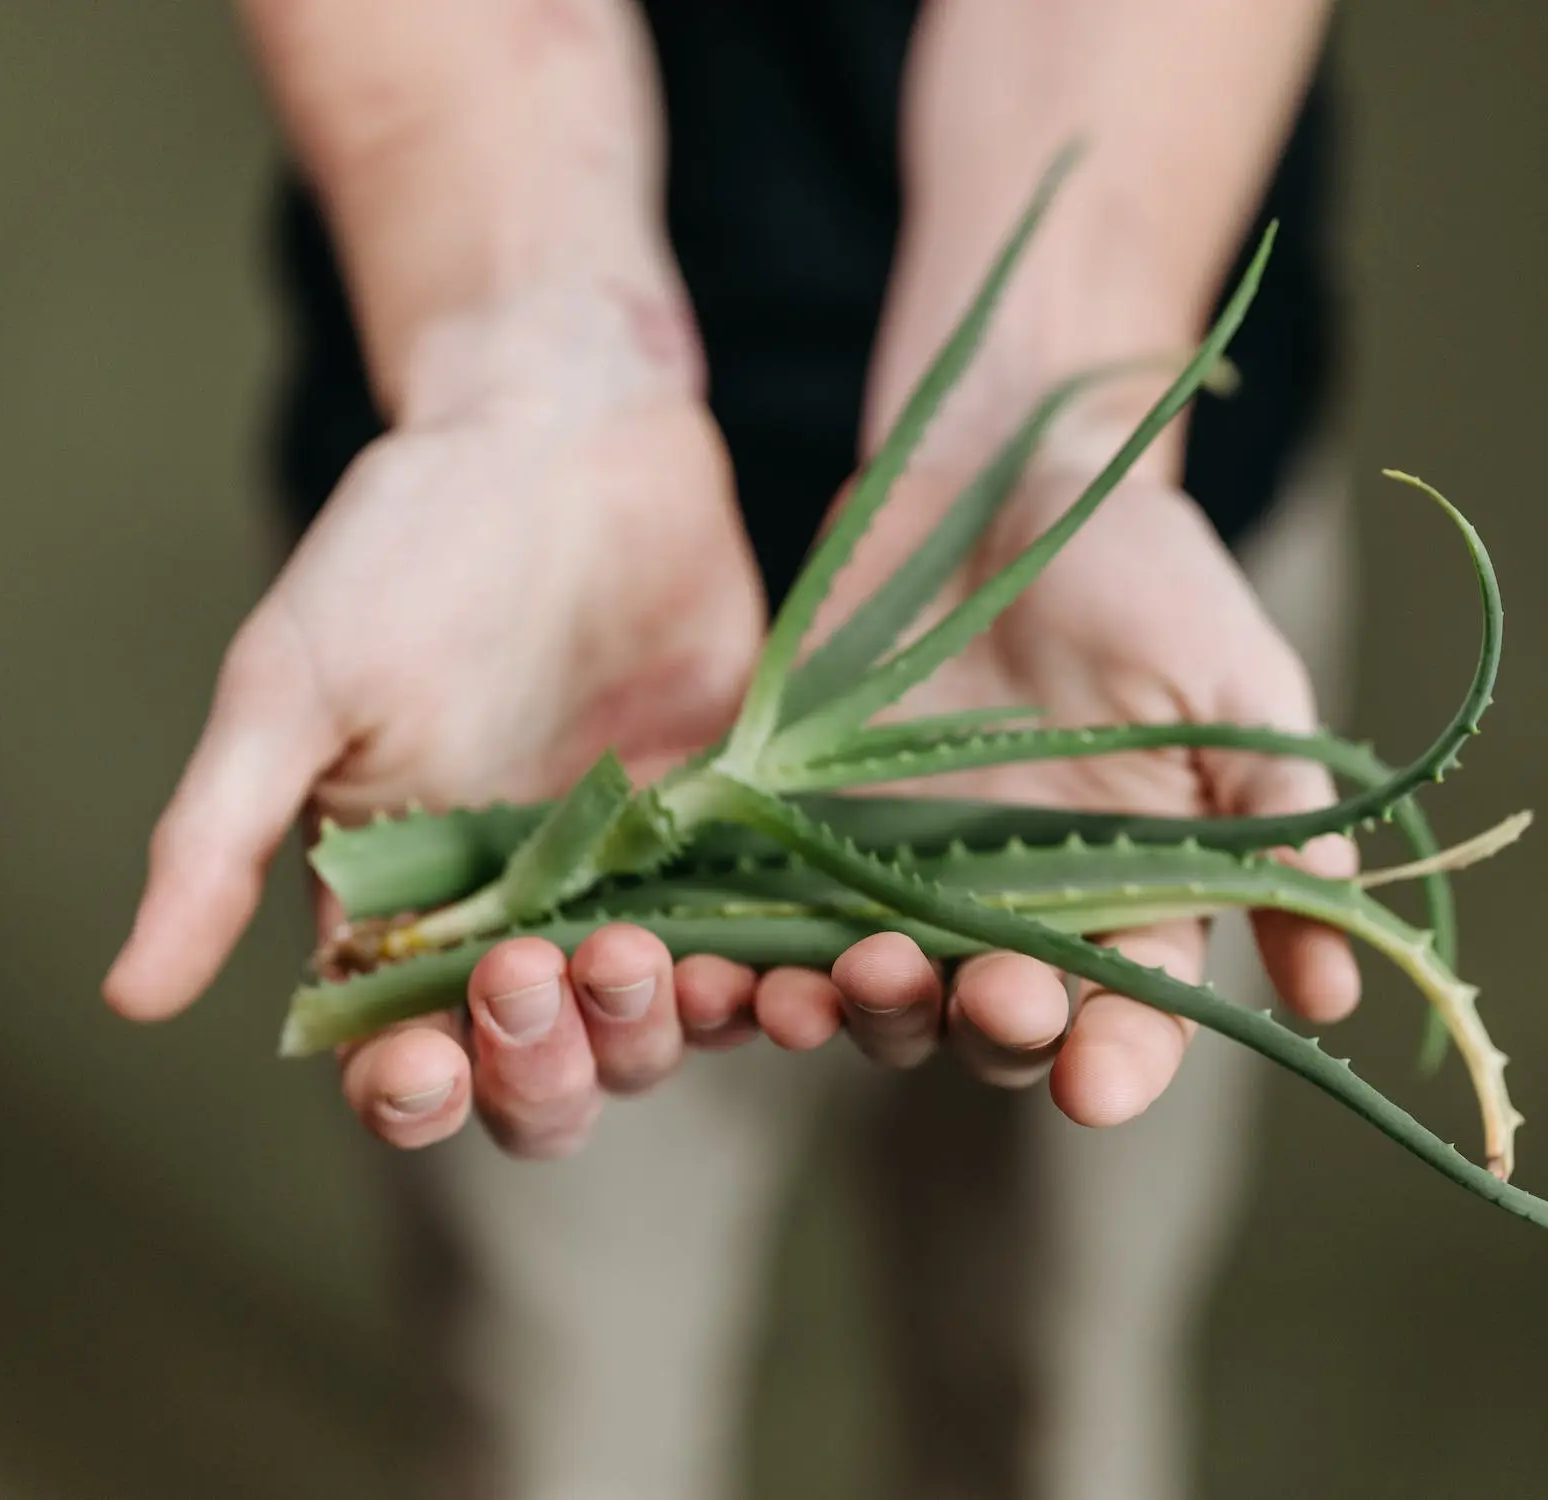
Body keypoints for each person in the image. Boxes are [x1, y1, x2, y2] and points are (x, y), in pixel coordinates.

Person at [105, 2, 1355, 1495]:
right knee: (551, 1405)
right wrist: (519, 352)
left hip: (1091, 604)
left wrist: (1057, 399)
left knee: (1052, 1385)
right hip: (501, 611)